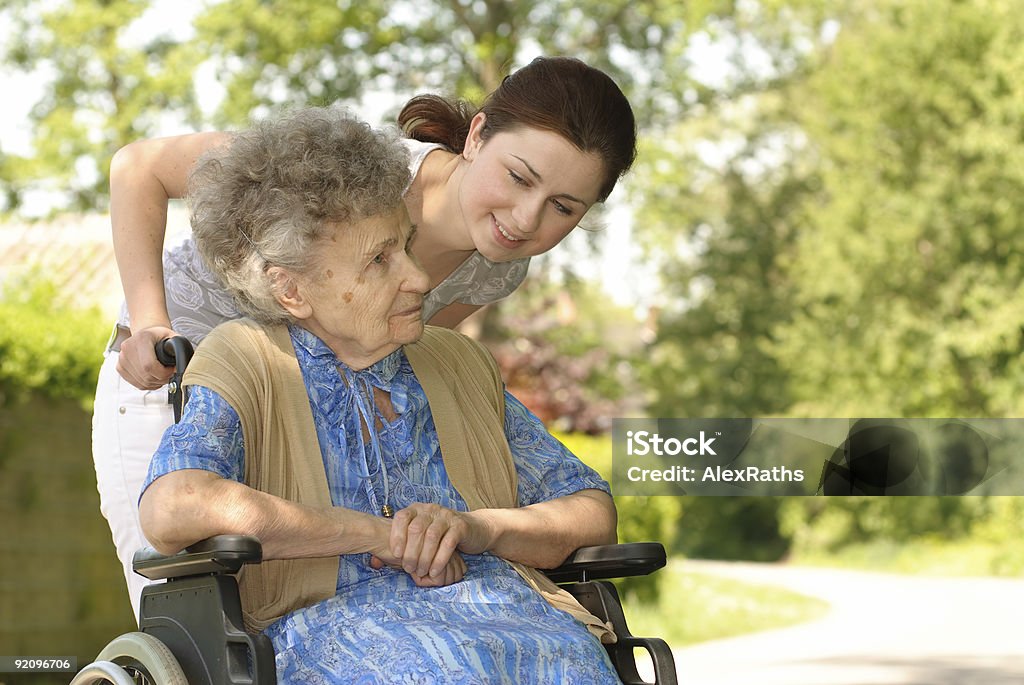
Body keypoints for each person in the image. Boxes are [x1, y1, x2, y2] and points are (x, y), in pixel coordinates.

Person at [93, 55, 637, 618]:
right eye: (519, 177)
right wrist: (149, 319)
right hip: (172, 373)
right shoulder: (355, 169)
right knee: (186, 611)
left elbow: (388, 365)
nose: (527, 219)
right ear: (477, 136)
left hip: (292, 417)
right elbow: (140, 168)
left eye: (563, 207)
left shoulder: (497, 268)